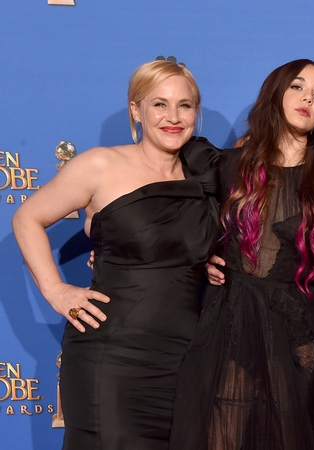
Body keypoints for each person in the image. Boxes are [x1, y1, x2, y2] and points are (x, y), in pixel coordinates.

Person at [12, 60, 219, 449]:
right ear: (135, 110)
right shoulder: (101, 164)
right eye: (159, 104)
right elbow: (27, 218)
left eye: (185, 105)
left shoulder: (204, 179)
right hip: (112, 358)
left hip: (185, 361)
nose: (173, 117)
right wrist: (57, 291)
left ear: (196, 112)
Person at [169, 59, 314, 450]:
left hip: (295, 322)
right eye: (298, 88)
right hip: (230, 318)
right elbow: (161, 190)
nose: (308, 99)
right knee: (225, 432)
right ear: (276, 94)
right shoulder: (231, 165)